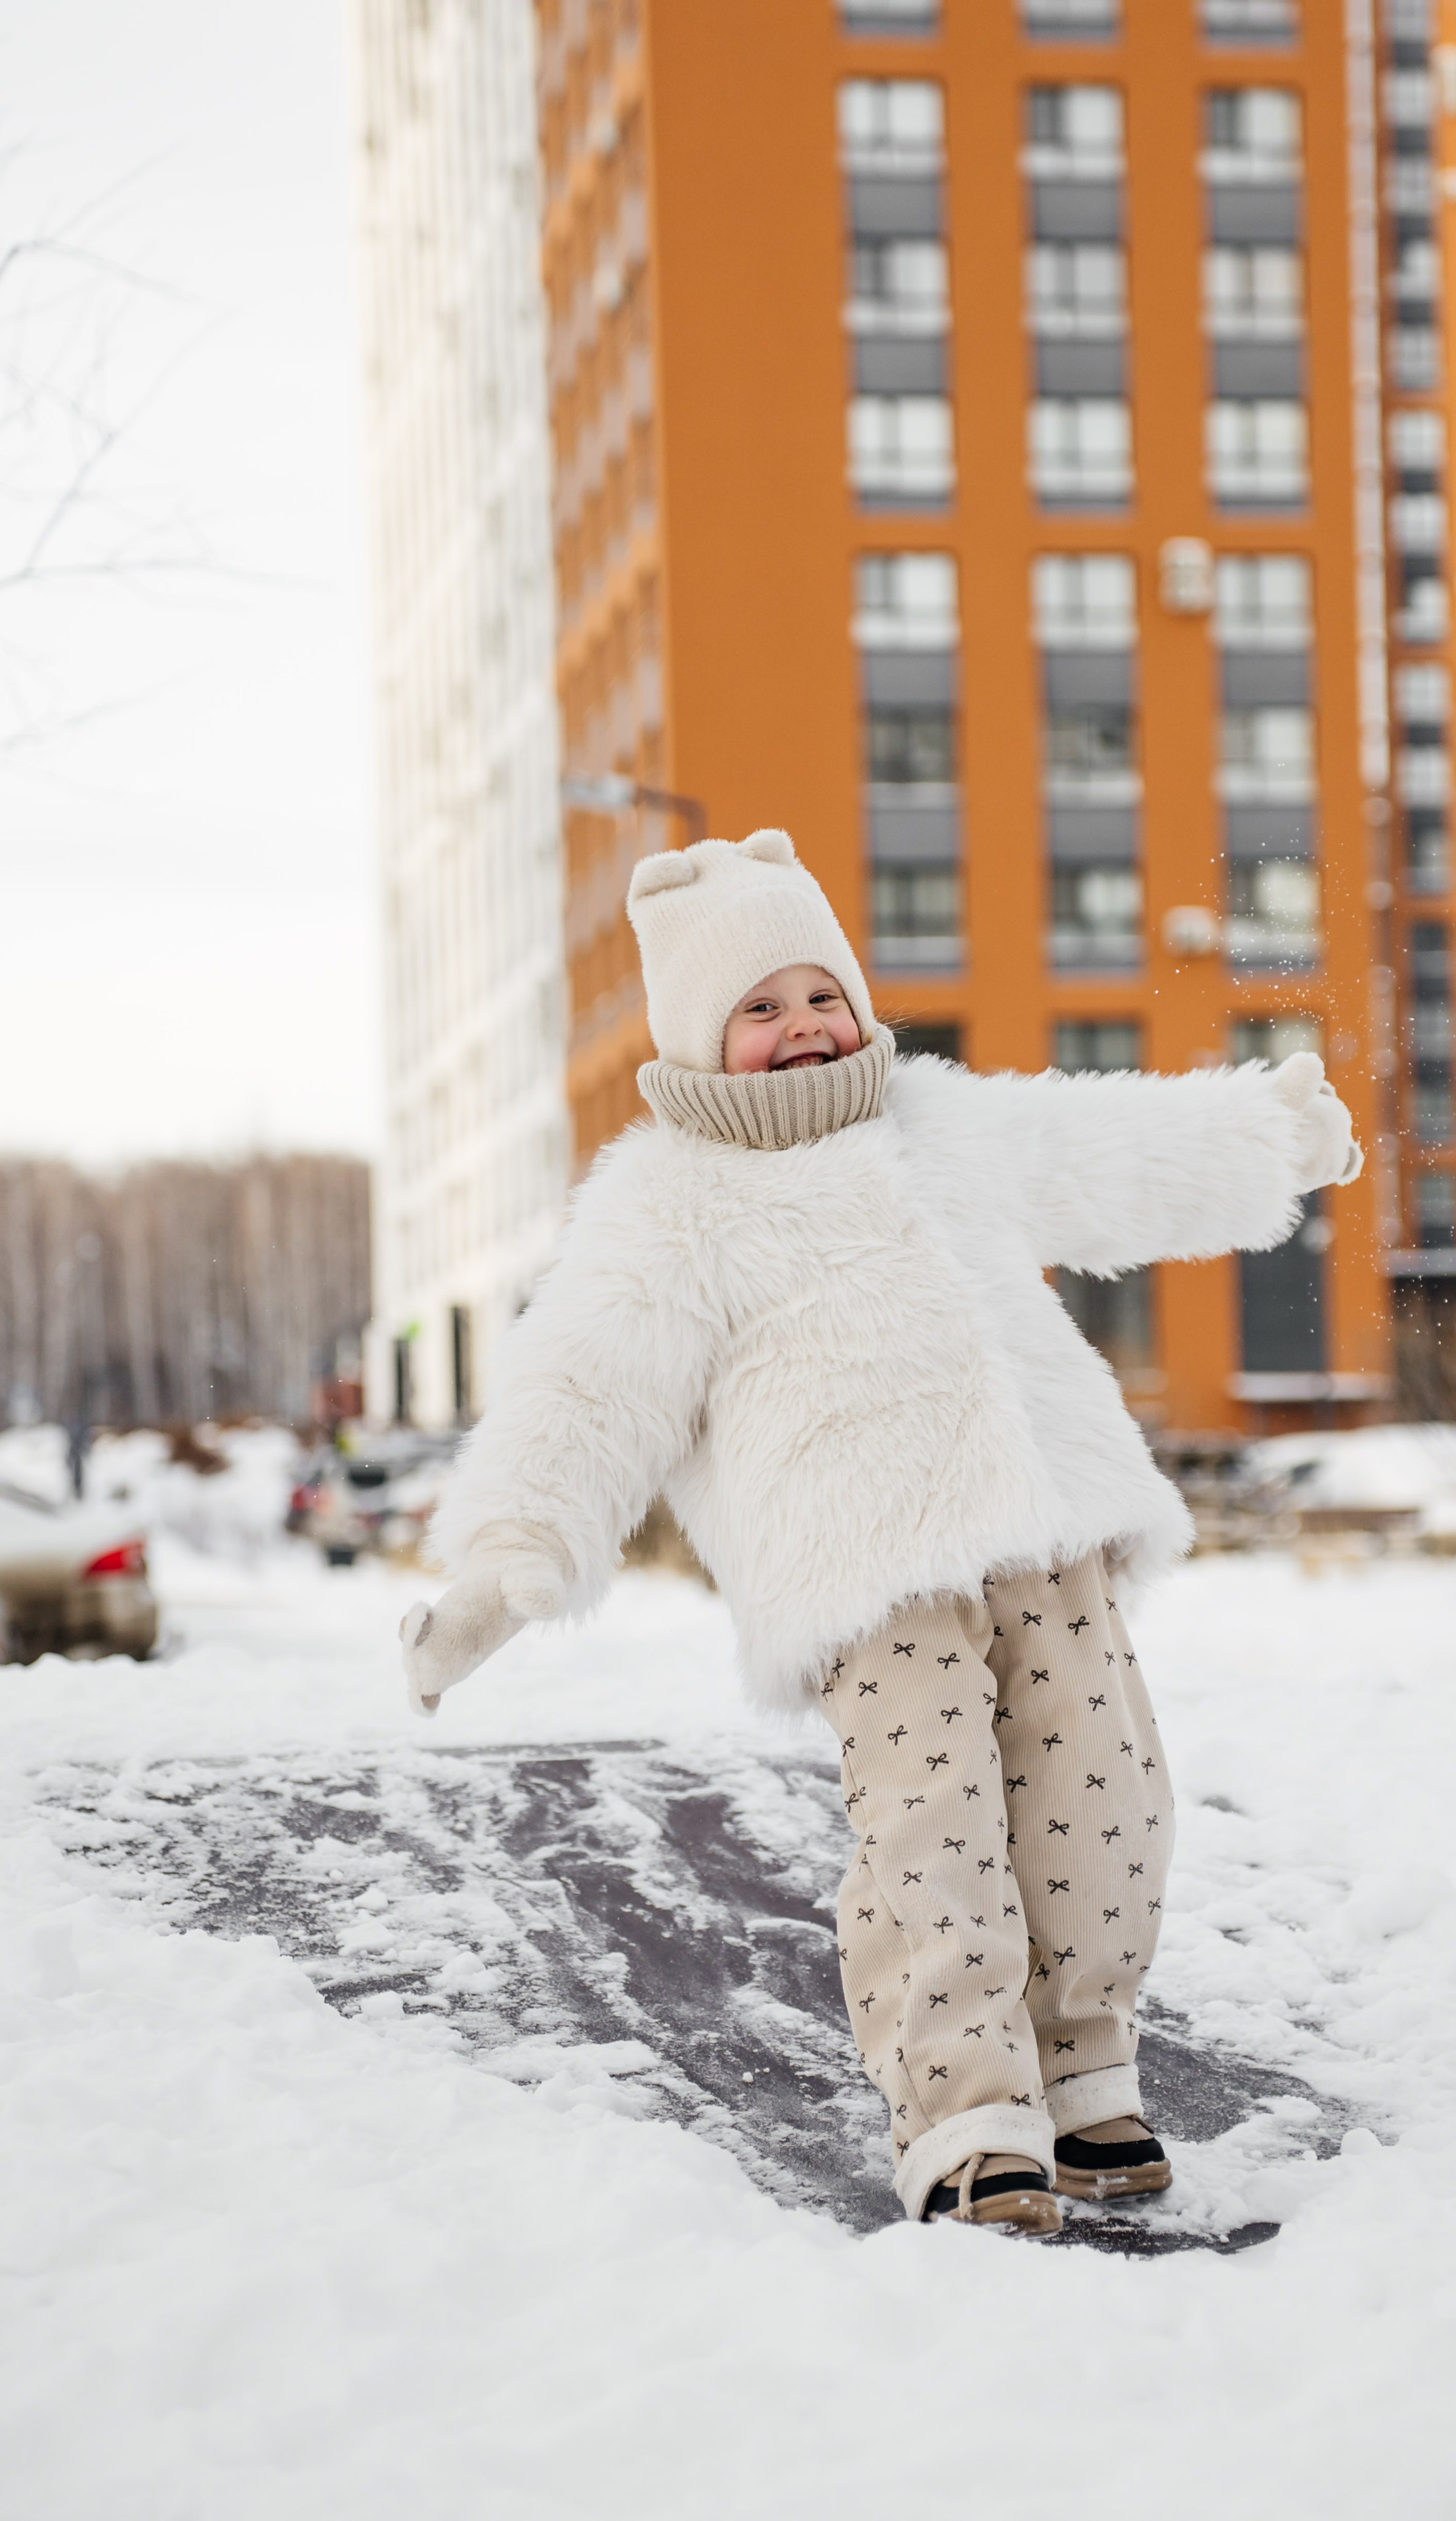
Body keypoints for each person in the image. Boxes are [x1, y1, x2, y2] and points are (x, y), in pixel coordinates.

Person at [400, 830, 1360, 2235]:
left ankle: (1084, 2068)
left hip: (1046, 1515)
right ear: (695, 1036)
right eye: (757, 1007)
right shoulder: (665, 1206)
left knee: (1107, 1799)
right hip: (861, 1563)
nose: (800, 1027)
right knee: (937, 1823)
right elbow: (586, 1389)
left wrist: (1265, 1134)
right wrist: (501, 1566)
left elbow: (1110, 1151)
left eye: (816, 992)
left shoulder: (942, 1124)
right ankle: (966, 2111)